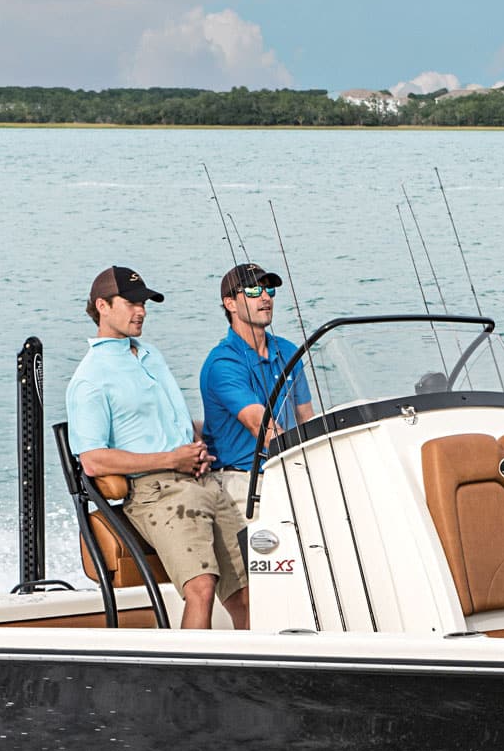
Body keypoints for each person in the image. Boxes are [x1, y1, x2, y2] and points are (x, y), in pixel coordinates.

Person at [65, 264, 249, 630]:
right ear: (102, 306)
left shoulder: (149, 354)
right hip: (157, 493)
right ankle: (190, 681)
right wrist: (172, 459)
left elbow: (171, 424)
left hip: (202, 481)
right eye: (130, 302)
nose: (141, 311)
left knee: (246, 591)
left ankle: (252, 673)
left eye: (144, 303)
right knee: (201, 586)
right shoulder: (90, 378)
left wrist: (201, 443)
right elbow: (93, 460)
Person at [199, 261, 318, 490]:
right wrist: (301, 468)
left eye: (269, 290)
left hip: (289, 465)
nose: (265, 297)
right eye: (253, 290)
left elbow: (306, 417)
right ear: (230, 303)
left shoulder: (288, 350)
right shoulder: (223, 363)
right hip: (243, 477)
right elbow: (261, 427)